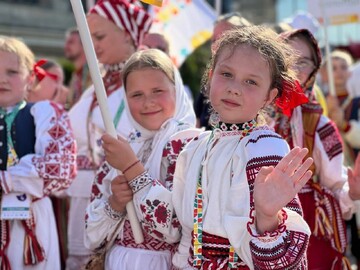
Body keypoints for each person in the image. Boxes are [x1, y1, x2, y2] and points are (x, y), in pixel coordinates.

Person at [107, 26, 315, 269]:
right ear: (210, 75)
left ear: (269, 97)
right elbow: (179, 232)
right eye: (226, 74)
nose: (234, 88)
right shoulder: (196, 147)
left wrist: (268, 218)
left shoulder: (264, 148)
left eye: (251, 81)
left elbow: (285, 259)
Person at [85, 48, 199, 269]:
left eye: (158, 91)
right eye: (136, 95)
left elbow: (175, 228)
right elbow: (91, 236)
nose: (148, 102)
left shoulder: (191, 146)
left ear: (177, 90)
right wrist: (115, 204)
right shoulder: (125, 146)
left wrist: (132, 168)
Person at [65, 0, 152, 269]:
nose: (93, 44)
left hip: (126, 198)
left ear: (126, 33)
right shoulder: (99, 86)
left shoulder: (150, 79)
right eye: (89, 37)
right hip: (86, 199)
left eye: (99, 36)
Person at [274, 28, 360, 270]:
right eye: (286, 57)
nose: (293, 67)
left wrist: (352, 193)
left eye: (302, 61)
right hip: (259, 234)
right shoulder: (254, 118)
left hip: (309, 235)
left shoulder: (320, 125)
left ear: (314, 69)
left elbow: (336, 185)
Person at [0, 36, 77, 269]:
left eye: (12, 72)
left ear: (30, 79)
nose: (2, 79)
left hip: (31, 220)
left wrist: (7, 179)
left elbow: (60, 169)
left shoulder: (44, 113)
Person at [324, 49, 360, 269]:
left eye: (343, 67)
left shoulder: (356, 102)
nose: (338, 72)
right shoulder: (317, 100)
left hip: (353, 173)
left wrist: (345, 125)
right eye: (332, 67)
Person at [195, 11, 252, 130]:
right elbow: (197, 123)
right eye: (214, 40)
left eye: (224, 39)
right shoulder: (209, 79)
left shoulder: (257, 80)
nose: (216, 46)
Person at [64, 28, 92, 110]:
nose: (66, 46)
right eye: (66, 42)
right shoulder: (76, 75)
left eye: (71, 42)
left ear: (84, 44)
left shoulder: (95, 73)